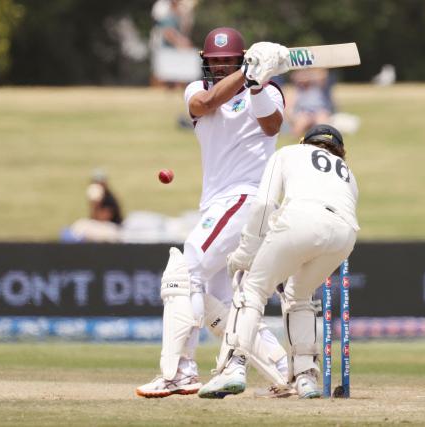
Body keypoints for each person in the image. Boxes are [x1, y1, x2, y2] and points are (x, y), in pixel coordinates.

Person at [136, 27, 293, 398]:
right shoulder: (195, 91)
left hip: (246, 199)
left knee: (185, 269)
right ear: (206, 63)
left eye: (229, 62)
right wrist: (247, 73)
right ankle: (282, 369)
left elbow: (273, 126)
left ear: (240, 61)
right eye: (215, 62)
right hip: (218, 204)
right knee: (219, 303)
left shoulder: (267, 91)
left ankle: (180, 373)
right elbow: (206, 106)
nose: (221, 68)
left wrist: (255, 83)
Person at [197, 124, 359, 399]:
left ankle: (233, 367)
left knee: (252, 288)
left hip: (301, 218)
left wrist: (245, 255)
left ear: (304, 141)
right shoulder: (348, 174)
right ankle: (306, 377)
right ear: (340, 152)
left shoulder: (289, 153)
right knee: (300, 296)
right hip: (346, 234)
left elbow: (263, 206)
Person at [60, 170, 123, 243]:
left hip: (113, 229)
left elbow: (102, 219)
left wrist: (96, 205)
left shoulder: (109, 198)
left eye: (100, 182)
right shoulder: (100, 197)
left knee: (82, 227)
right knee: (79, 225)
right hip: (103, 227)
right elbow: (92, 218)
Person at [287, 69, 335, 137]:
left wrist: (308, 76)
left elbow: (323, 75)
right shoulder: (298, 89)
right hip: (304, 113)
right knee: (300, 124)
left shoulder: (318, 85)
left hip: (320, 111)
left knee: (322, 124)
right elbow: (289, 106)